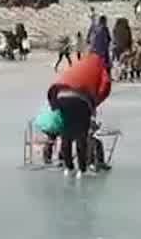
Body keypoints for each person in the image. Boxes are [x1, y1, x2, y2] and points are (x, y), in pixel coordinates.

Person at [47, 46, 112, 177]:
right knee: (81, 136)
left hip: (60, 95)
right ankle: (82, 169)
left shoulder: (79, 63)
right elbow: (105, 85)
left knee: (66, 134)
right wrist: (95, 102)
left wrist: (54, 104)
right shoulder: (100, 65)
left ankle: (68, 167)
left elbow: (62, 79)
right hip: (81, 99)